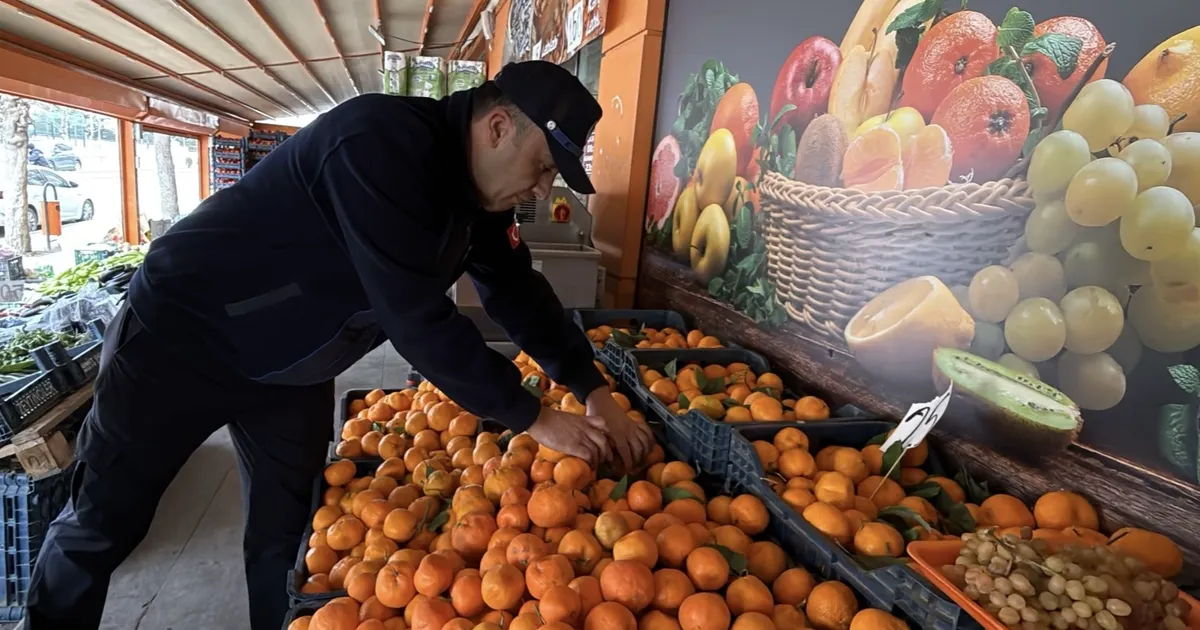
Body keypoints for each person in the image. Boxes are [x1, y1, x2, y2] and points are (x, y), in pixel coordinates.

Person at [25, 60, 654, 630]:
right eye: (543, 167)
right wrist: (534, 417)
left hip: (288, 368)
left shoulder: (482, 205)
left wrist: (591, 389)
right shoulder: (379, 145)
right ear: (496, 127)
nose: (544, 191)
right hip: (181, 338)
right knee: (103, 520)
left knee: (286, 527)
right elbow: (415, 318)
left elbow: (516, 291)